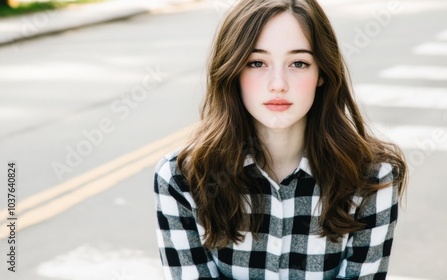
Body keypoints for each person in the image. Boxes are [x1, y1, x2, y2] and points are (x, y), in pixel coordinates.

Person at [154, 0, 407, 279]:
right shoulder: (183, 177)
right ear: (233, 70)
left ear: (321, 72)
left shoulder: (372, 177)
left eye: (298, 63)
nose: (278, 83)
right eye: (256, 63)